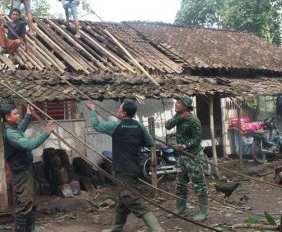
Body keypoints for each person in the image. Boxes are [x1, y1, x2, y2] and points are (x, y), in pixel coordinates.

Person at [86, 100, 164, 232]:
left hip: (123, 168)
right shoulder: (139, 126)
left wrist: (92, 111)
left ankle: (157, 229)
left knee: (129, 198)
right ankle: (117, 227)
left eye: (120, 109)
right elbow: (150, 142)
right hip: (134, 167)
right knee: (122, 199)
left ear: (124, 113)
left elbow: (96, 125)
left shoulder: (116, 125)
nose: (118, 110)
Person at [1, 103, 55, 232]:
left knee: (32, 202)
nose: (18, 115)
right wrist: (45, 133)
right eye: (15, 114)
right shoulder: (11, 134)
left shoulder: (15, 129)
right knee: (25, 204)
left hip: (26, 171)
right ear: (7, 117)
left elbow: (21, 128)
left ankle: (30, 229)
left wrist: (28, 115)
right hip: (21, 174)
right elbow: (28, 145)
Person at [165, 95, 209, 221]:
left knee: (198, 184)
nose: (175, 105)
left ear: (185, 106)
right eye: (176, 103)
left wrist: (185, 145)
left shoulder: (194, 120)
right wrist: (179, 117)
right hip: (181, 157)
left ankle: (204, 212)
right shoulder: (178, 117)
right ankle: (181, 208)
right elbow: (168, 126)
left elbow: (197, 139)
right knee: (180, 183)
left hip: (193, 156)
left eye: (178, 103)